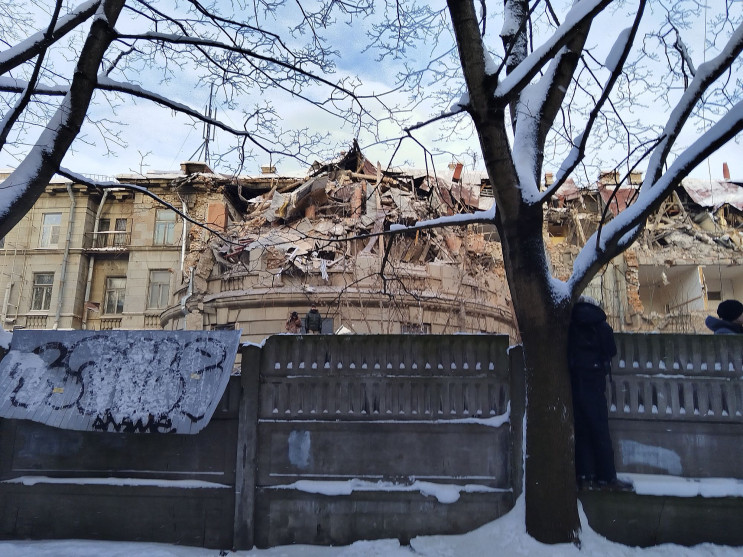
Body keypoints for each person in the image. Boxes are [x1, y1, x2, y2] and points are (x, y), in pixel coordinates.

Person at [568, 296, 631, 491]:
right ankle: (607, 477)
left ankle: (585, 476)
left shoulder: (571, 324)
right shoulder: (600, 324)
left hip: (576, 380)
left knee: (582, 430)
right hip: (595, 380)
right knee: (600, 429)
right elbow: (611, 349)